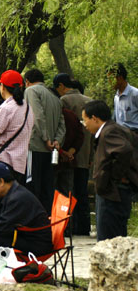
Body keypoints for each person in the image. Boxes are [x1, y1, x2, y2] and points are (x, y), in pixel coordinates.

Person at [81, 100, 138, 241]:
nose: (85, 125)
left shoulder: (109, 132)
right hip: (116, 191)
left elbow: (124, 151)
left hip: (112, 193)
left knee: (108, 240)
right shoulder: (119, 129)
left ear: (94, 118)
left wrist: (113, 176)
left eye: (85, 120)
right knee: (116, 238)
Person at [54, 73, 93, 236]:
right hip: (85, 154)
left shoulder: (63, 102)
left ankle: (68, 226)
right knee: (82, 191)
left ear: (61, 86)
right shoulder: (90, 101)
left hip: (68, 155)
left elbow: (65, 129)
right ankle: (84, 226)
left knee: (67, 192)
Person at [0, 70, 33, 183]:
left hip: (1, 163)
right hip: (19, 165)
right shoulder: (28, 108)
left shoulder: (6, 109)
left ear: (2, 87)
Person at [24, 68, 65, 213]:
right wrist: (56, 141)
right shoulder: (55, 97)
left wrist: (46, 138)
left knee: (32, 186)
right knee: (47, 188)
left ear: (27, 81)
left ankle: (32, 222)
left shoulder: (31, 91)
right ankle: (46, 221)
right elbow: (61, 124)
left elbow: (37, 115)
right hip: (50, 150)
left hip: (34, 146)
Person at [107, 62, 138, 133]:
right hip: (121, 134)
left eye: (111, 79)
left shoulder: (135, 94)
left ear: (120, 78)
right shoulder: (116, 97)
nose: (109, 82)